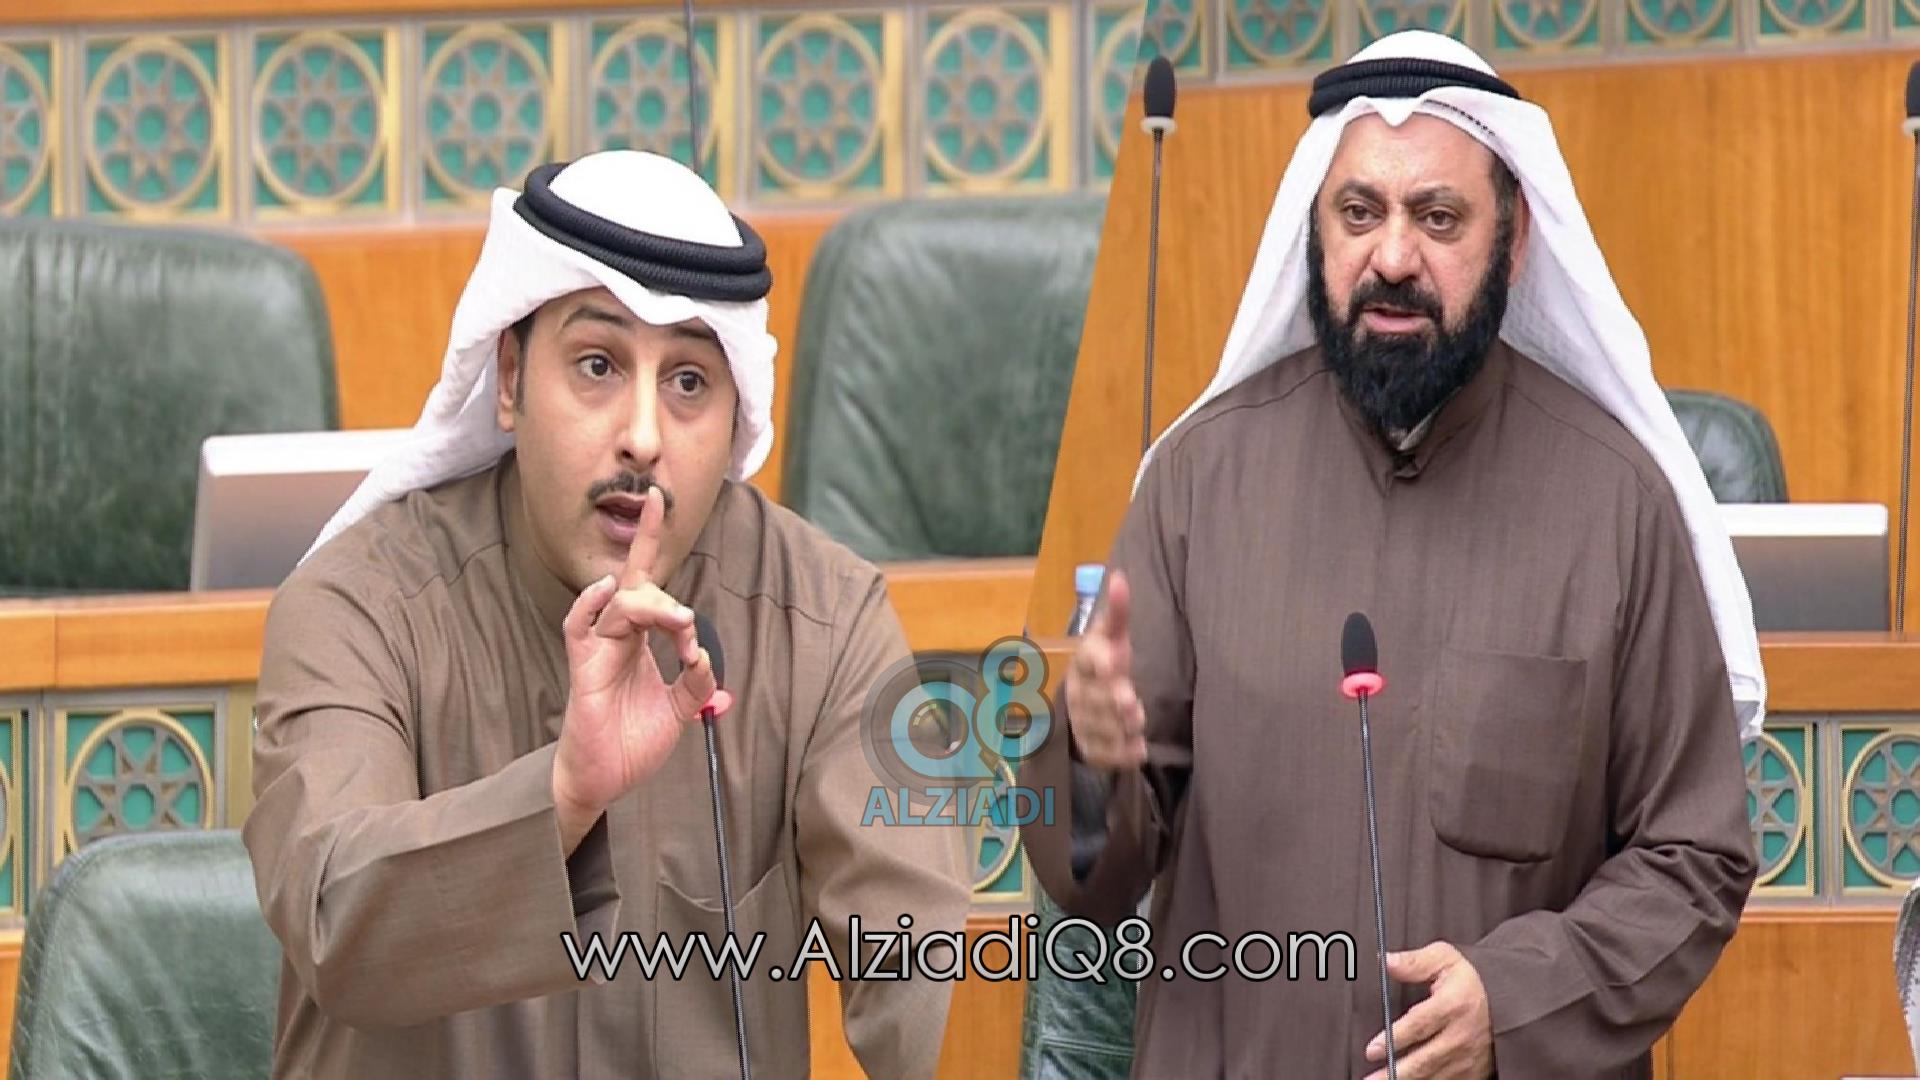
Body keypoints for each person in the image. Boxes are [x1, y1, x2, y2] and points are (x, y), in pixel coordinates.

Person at [1019, 31, 1759, 1079]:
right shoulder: (1196, 485)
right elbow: (1088, 880)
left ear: (1513, 240)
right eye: (1359, 213)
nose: (1394, 258)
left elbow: (1694, 857)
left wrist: (1515, 1000)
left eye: (1438, 217)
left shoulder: (1616, 506)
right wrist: (1091, 763)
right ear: (1316, 231)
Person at [243, 150, 972, 1080]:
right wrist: (561, 798)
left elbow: (924, 968)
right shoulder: (359, 608)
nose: (643, 436)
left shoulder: (822, 622)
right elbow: (335, 922)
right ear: (511, 378)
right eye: (598, 365)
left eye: (689, 382)